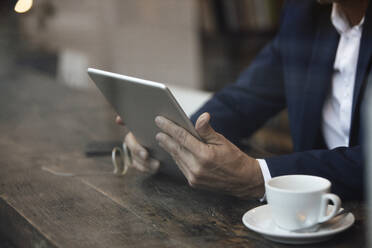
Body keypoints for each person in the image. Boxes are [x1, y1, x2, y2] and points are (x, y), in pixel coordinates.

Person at [117, 0, 371, 200]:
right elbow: (243, 99)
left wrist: (256, 176)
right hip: (313, 217)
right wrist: (169, 137)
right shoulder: (303, 13)